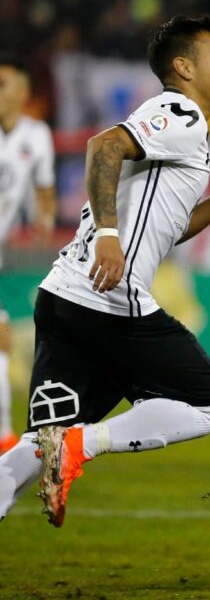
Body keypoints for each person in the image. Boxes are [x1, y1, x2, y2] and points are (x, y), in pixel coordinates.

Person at [0, 15, 210, 527]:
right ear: (184, 67)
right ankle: (81, 443)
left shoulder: (184, 131)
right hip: (109, 301)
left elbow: (169, 227)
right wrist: (109, 237)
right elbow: (104, 146)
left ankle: (65, 444)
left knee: (34, 450)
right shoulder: (179, 112)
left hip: (63, 298)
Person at [0, 55, 56, 455]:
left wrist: (45, 219)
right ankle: (3, 435)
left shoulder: (36, 135)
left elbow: (44, 188)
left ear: (22, 93)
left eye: (2, 84)